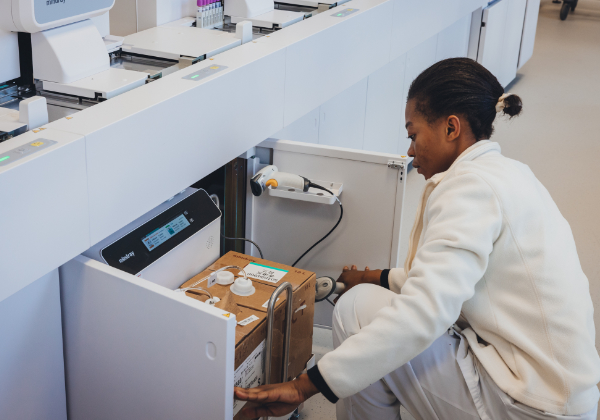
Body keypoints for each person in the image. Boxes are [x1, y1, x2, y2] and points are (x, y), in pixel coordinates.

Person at [234, 57, 600, 420]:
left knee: (356, 310)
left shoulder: (468, 188)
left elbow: (427, 310)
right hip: (560, 396)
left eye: (413, 135)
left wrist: (304, 386)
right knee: (370, 297)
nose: (410, 151)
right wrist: (377, 277)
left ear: (451, 128)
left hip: (531, 408)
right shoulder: (509, 174)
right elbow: (453, 279)